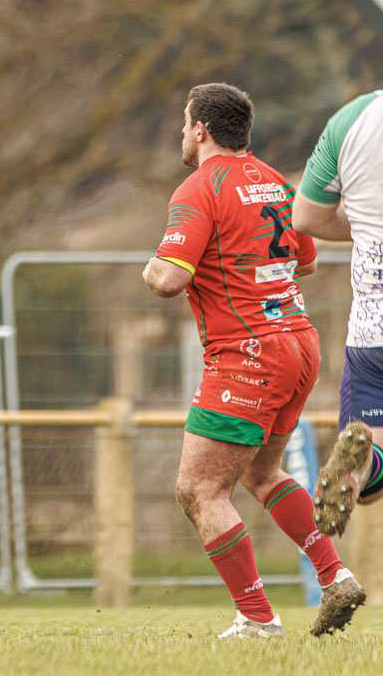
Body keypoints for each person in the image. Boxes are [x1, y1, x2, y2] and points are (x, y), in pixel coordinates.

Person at [142, 83, 364, 639]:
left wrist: (152, 268)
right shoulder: (277, 183)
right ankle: (335, 576)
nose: (182, 133)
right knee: (262, 473)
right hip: (299, 344)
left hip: (247, 353)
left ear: (201, 130)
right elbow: (305, 260)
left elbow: (169, 280)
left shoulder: (198, 188)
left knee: (200, 490)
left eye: (184, 123)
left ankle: (258, 620)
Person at [292, 89, 383, 537]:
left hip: (372, 332)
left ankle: (368, 464)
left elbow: (305, 216)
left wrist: (366, 224)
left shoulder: (352, 118)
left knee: (367, 479)